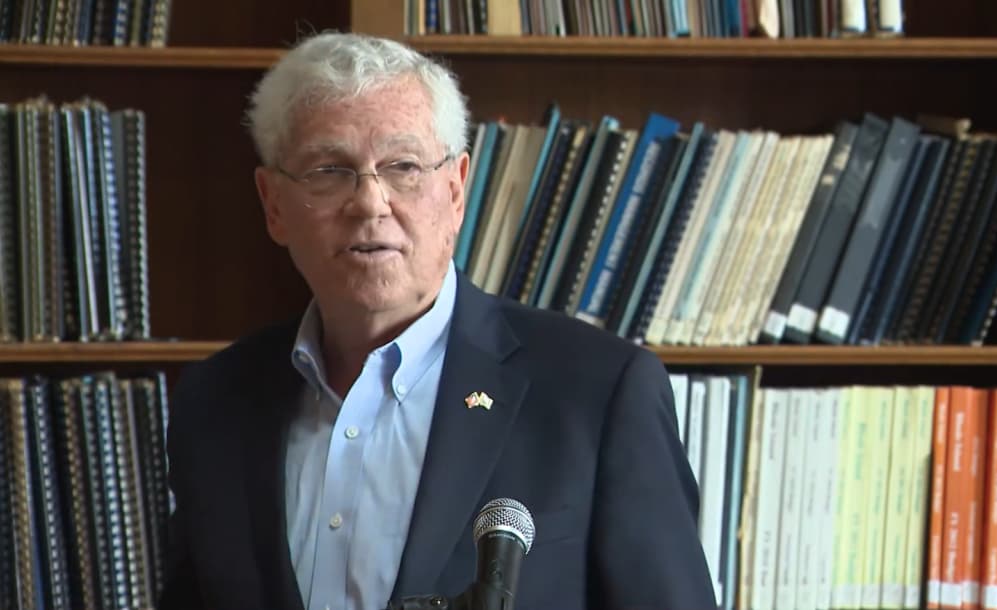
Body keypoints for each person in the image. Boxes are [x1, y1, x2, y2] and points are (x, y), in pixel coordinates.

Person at [159, 31, 715, 610]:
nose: (370, 203)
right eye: (329, 169)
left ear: (455, 190)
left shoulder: (599, 394)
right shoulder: (214, 401)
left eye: (403, 166)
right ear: (273, 203)